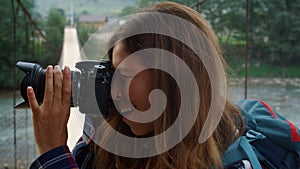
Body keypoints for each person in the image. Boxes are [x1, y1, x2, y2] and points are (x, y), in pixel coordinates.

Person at [27, 2, 249, 169]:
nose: (114, 92)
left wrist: (52, 151)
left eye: (125, 76)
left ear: (173, 83)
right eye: (113, 74)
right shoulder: (110, 137)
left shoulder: (230, 160)